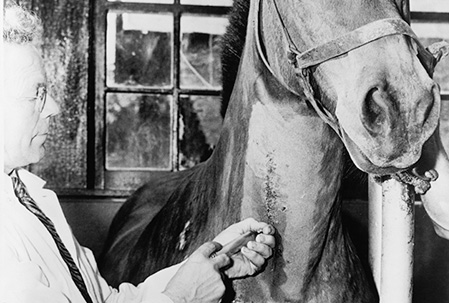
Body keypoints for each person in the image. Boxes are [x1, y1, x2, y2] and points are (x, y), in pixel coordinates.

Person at [0, 4, 275, 303]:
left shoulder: (32, 197)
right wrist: (182, 297)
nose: (52, 108)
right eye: (37, 94)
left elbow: (107, 300)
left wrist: (214, 262)